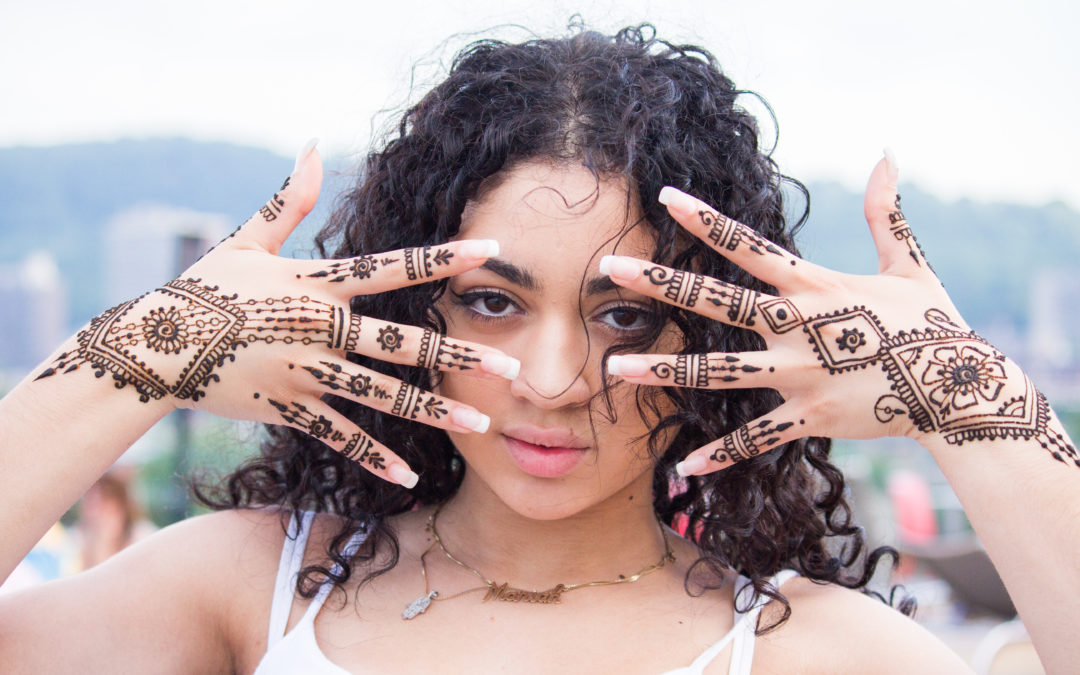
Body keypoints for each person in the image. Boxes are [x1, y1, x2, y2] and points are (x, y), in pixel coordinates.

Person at [0, 24, 1076, 673]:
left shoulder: (811, 651)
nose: (554, 383)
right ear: (412, 309)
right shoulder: (255, 589)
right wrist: (143, 352)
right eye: (490, 302)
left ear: (713, 327)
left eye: (625, 317)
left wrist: (969, 400)